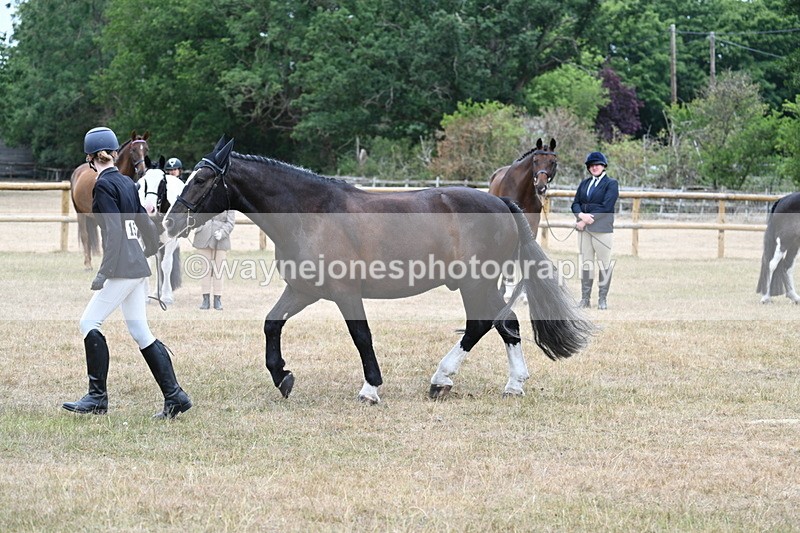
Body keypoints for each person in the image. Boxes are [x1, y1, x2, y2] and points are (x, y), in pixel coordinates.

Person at [63, 127, 192, 419]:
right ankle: (175, 396)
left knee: (89, 322)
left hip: (122, 267)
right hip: (136, 267)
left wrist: (104, 272)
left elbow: (112, 232)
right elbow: (144, 225)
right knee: (140, 330)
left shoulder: (103, 186)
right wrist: (148, 250)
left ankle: (97, 398)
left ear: (91, 158)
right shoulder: (126, 183)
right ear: (111, 153)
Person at [571, 151, 619, 310]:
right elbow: (575, 203)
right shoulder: (584, 184)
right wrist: (581, 216)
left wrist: (587, 218)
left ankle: (602, 299)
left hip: (602, 230)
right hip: (584, 230)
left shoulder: (611, 183)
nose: (594, 168)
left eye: (597, 165)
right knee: (586, 263)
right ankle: (585, 299)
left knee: (604, 263)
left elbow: (606, 206)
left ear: (603, 166)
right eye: (591, 166)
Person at [192, 210, 236, 310]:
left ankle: (217, 299)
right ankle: (205, 299)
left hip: (221, 238)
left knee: (219, 270)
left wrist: (223, 232)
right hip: (203, 235)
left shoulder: (228, 201)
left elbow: (230, 222)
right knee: (205, 270)